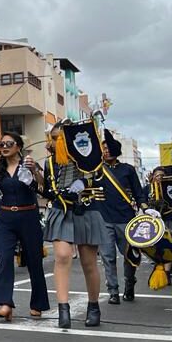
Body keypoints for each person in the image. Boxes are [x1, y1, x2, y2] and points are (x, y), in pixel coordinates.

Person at [43, 123, 104, 328]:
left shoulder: (88, 156)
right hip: (61, 211)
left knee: (88, 263)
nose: (55, 141)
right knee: (62, 256)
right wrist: (33, 178)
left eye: (59, 137)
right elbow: (48, 191)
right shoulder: (49, 163)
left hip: (86, 210)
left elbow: (99, 177)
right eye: (53, 137)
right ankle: (63, 310)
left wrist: (83, 185)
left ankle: (93, 306)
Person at [0, 132, 49, 321]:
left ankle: (37, 303)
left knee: (34, 260)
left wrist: (35, 172)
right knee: (5, 258)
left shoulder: (29, 165)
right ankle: (5, 304)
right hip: (5, 216)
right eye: (1, 144)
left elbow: (43, 188)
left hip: (28, 215)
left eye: (9, 143)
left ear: (18, 146)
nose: (4, 146)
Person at [93, 130, 146, 304]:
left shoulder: (128, 170)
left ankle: (129, 283)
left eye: (108, 148)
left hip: (126, 219)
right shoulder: (96, 170)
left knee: (130, 255)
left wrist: (145, 208)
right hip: (104, 219)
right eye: (103, 149)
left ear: (116, 149)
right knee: (107, 257)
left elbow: (138, 193)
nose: (106, 151)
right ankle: (113, 291)